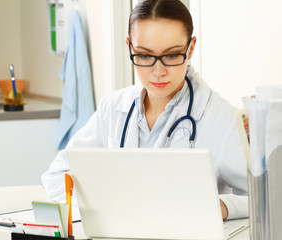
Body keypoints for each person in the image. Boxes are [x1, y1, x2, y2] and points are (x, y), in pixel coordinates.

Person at [42, 0, 248, 221]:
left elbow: (265, 199)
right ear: (130, 47)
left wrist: (223, 206)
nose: (158, 71)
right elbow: (57, 176)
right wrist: (101, 204)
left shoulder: (222, 120)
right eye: (144, 55)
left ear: (191, 48)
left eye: (171, 55)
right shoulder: (113, 109)